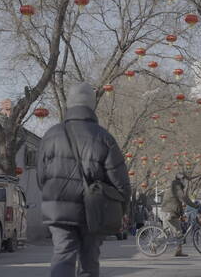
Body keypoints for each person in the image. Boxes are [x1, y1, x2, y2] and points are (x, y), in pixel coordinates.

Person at [37, 82, 131, 277]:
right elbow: (120, 182)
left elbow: (41, 176)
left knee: (63, 253)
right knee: (89, 259)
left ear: (69, 104)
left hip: (58, 209)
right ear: (92, 105)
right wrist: (122, 209)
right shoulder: (104, 138)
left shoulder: (50, 135)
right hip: (94, 210)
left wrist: (55, 197)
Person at [160, 173, 199, 257]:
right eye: (184, 179)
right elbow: (183, 198)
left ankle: (179, 251)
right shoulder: (176, 186)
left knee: (178, 232)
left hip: (171, 211)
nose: (185, 181)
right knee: (171, 233)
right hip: (168, 212)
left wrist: (181, 213)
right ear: (180, 179)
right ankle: (154, 244)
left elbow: (178, 202)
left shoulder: (176, 186)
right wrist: (194, 205)